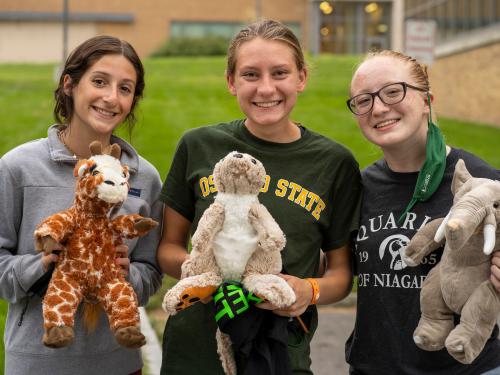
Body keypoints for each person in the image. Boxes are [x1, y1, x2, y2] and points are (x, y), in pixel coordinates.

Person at [157, 19, 361, 374]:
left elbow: (342, 275)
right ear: (231, 82)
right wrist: (214, 276)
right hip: (193, 355)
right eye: (251, 74)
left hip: (278, 354)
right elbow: (167, 248)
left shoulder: (334, 163)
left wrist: (307, 291)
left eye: (280, 72)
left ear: (301, 77)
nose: (266, 88)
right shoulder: (198, 146)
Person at [0, 35, 163, 375]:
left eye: (125, 88)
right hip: (37, 363)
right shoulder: (17, 168)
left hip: (118, 363)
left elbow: (150, 275)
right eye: (100, 81)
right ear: (69, 84)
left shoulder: (143, 178)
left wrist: (126, 272)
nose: (111, 97)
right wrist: (43, 264)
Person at [345, 50, 500, 374]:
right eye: (363, 100)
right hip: (373, 367)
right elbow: (338, 267)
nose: (378, 107)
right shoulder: (360, 187)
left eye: (392, 91)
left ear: (427, 100)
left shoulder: (480, 183)